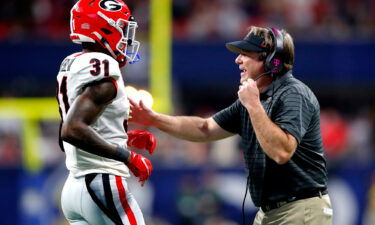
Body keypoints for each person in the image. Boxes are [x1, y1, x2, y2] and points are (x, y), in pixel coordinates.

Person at [129, 26, 333, 225]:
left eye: (246, 54)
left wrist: (253, 105)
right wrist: (154, 119)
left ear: (271, 60)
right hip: (272, 211)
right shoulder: (256, 99)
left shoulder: (293, 94)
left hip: (300, 209)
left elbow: (282, 151)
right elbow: (205, 128)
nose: (238, 59)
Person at [56, 0, 156, 224]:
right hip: (102, 183)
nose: (126, 37)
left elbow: (70, 134)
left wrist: (123, 138)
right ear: (104, 27)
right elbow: (72, 130)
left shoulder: (72, 63)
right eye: (122, 28)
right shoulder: (103, 66)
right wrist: (127, 156)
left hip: (74, 187)